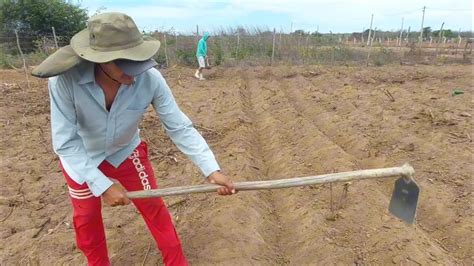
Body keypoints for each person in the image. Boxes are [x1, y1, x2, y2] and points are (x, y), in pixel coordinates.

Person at [33, 12, 236, 266]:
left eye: (137, 61)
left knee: (154, 207)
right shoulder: (64, 81)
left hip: (126, 152)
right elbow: (65, 143)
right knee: (86, 218)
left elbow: (179, 127)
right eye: (124, 64)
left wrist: (211, 169)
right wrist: (102, 184)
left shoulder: (150, 79)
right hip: (81, 158)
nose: (134, 72)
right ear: (101, 60)